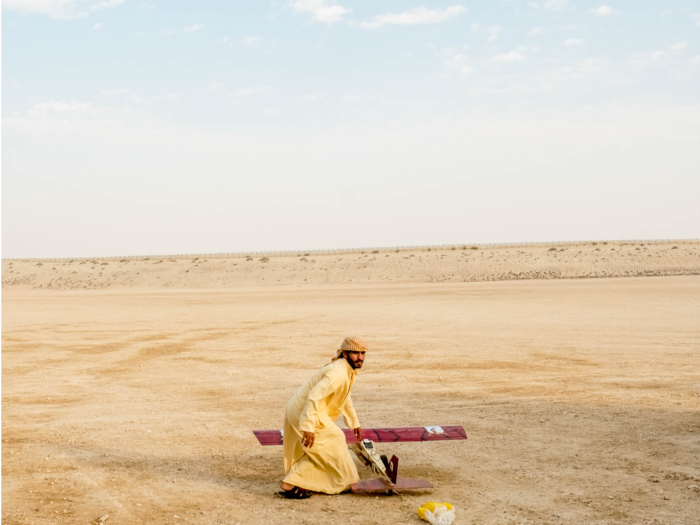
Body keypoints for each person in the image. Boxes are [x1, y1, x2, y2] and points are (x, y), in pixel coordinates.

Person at [279, 336, 367, 499]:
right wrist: (308, 427)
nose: (360, 357)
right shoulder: (338, 373)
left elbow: (344, 397)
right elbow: (314, 396)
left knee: (332, 443)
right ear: (345, 354)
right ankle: (290, 482)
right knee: (327, 442)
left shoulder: (347, 371)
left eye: (362, 353)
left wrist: (354, 423)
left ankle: (302, 480)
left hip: (312, 412)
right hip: (304, 412)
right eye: (355, 353)